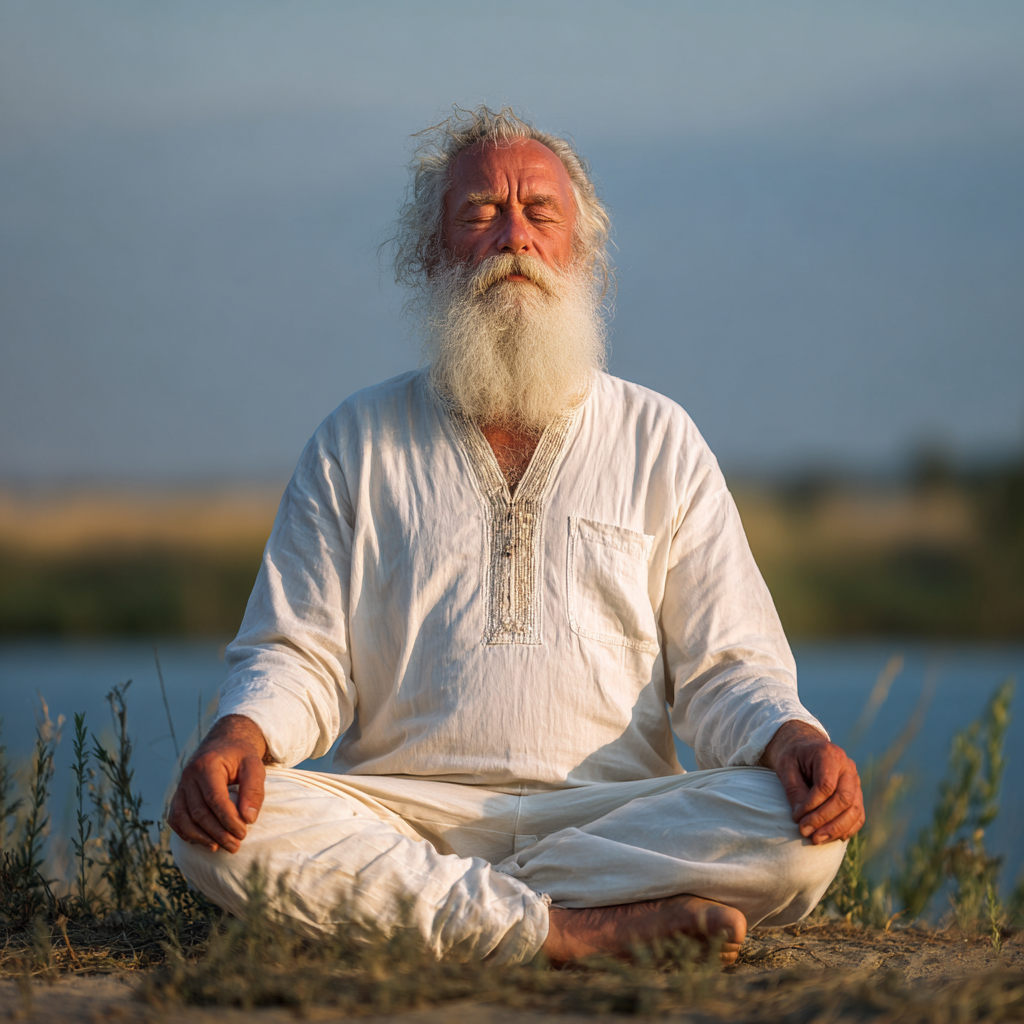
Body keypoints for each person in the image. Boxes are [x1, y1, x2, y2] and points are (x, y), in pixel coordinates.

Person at [168, 106, 864, 967]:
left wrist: (791, 737)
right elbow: (299, 655)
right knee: (220, 830)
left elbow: (729, 666)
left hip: (616, 819)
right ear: (431, 254)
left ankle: (457, 913)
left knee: (798, 833)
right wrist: (243, 733)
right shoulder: (358, 439)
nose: (513, 239)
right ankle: (571, 929)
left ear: (582, 255)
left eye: (539, 213)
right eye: (479, 214)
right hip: (406, 814)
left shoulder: (659, 437)